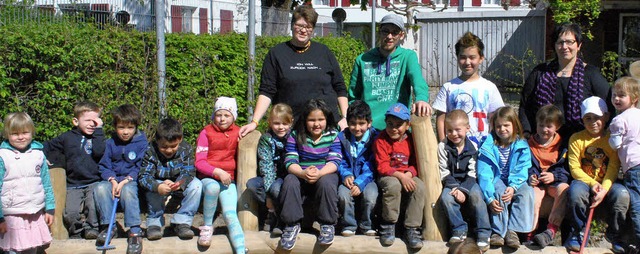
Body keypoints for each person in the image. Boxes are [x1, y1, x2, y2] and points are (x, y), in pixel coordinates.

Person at [238, 5, 348, 137]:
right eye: (299, 25)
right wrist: (254, 122)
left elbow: (340, 87)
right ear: (292, 25)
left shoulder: (324, 52)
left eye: (308, 27)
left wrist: (345, 117)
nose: (303, 30)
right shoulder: (276, 54)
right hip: (291, 129)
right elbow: (267, 91)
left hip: (327, 128)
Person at [519, 22, 613, 143]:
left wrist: (604, 134)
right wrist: (526, 133)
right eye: (560, 42)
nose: (564, 47)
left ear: (579, 45)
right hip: (543, 142)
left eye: (569, 42)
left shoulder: (591, 74)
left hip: (582, 143)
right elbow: (525, 106)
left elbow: (610, 105)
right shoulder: (540, 72)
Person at [565, 96, 628, 253]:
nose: (593, 122)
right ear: (582, 120)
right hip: (584, 182)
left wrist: (604, 189)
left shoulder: (612, 140)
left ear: (606, 117)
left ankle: (615, 233)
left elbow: (613, 167)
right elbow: (575, 168)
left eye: (597, 117)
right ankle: (579, 231)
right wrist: (593, 184)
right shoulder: (576, 139)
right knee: (575, 192)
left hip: (607, 183)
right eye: (588, 118)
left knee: (622, 194)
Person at [348, 13, 431, 131]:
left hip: (397, 128)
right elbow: (353, 96)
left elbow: (417, 80)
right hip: (369, 129)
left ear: (401, 35)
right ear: (379, 32)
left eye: (395, 32)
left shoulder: (407, 57)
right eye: (385, 31)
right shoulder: (362, 60)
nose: (389, 36)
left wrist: (421, 98)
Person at [278, 99, 342, 250]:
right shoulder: (295, 135)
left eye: (321, 119)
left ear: (327, 119)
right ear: (305, 120)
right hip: (301, 173)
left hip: (324, 172)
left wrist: (320, 173)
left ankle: (327, 224)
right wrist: (301, 172)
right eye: (311, 120)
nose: (316, 124)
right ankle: (291, 224)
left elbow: (335, 161)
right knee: (289, 181)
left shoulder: (333, 134)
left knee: (328, 182)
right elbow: (290, 160)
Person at [43, 101, 105, 239]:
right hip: (73, 183)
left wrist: (99, 131)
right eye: (88, 120)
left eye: (95, 121)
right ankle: (76, 232)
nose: (92, 124)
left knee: (93, 206)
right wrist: (40, 155)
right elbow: (47, 145)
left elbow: (99, 152)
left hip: (93, 181)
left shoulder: (97, 137)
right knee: (70, 212)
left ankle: (91, 229)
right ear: (76, 121)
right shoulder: (67, 137)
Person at [477, 106, 534, 249]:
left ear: (514, 125)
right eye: (498, 126)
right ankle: (498, 231)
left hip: (516, 180)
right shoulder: (488, 146)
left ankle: (513, 230)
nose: (502, 129)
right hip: (497, 179)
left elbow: (523, 168)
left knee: (526, 192)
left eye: (506, 125)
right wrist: (489, 197)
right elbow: (484, 173)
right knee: (499, 194)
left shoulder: (521, 145)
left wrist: (513, 186)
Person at [94, 104, 148, 254]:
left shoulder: (142, 143)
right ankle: (109, 227)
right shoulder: (110, 143)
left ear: (136, 127)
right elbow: (104, 165)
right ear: (115, 127)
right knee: (100, 188)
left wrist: (125, 181)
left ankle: (135, 231)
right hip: (113, 180)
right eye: (121, 127)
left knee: (128, 190)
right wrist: (112, 180)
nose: (125, 132)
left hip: (131, 181)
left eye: (130, 128)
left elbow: (141, 167)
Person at [433, 32, 504, 144]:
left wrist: (495, 144)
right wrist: (443, 144)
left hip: (483, 148)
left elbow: (497, 118)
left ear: (481, 58)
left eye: (472, 57)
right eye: (463, 57)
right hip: (455, 148)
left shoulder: (490, 87)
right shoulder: (448, 87)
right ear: (457, 58)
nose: (467, 62)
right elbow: (441, 120)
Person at [195, 97, 246, 253]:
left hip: (228, 180)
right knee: (212, 188)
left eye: (227, 115)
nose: (222, 118)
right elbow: (199, 162)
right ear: (214, 116)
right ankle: (208, 226)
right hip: (209, 177)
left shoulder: (238, 132)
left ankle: (241, 250)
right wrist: (216, 171)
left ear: (233, 117)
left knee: (230, 214)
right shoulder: (206, 133)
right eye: (219, 115)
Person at [138, 118, 202, 241]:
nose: (168, 150)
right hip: (158, 184)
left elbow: (189, 171)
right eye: (164, 146)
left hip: (178, 183)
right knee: (152, 186)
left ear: (180, 139)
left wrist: (179, 183)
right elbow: (144, 177)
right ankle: (154, 223)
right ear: (157, 141)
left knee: (197, 185)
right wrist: (158, 186)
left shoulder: (185, 149)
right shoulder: (150, 151)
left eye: (173, 146)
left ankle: (182, 222)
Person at [0, 112, 55, 253]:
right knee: (13, 250)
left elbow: (46, 183)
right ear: (7, 134)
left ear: (32, 132)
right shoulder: (3, 156)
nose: (20, 137)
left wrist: (49, 208)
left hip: (34, 213)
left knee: (32, 248)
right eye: (15, 133)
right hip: (12, 215)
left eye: (25, 132)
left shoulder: (38, 154)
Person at [374, 102, 425, 249]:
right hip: (388, 175)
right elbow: (382, 166)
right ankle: (388, 224)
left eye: (398, 124)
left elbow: (416, 162)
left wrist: (408, 174)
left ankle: (412, 228)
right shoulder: (381, 140)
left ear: (407, 125)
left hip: (407, 174)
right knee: (393, 185)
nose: (393, 128)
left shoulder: (411, 140)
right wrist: (401, 177)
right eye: (390, 124)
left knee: (419, 187)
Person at [438, 109, 490, 252]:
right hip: (451, 182)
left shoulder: (472, 147)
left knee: (477, 196)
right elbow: (443, 171)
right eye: (449, 130)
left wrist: (463, 190)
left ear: (467, 128)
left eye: (457, 130)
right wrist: (454, 188)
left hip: (469, 182)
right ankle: (459, 229)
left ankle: (484, 232)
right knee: (446, 198)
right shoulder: (443, 147)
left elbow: (472, 173)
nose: (454, 134)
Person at [245, 103, 293, 235]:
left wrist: (271, 192)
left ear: (291, 122)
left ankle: (280, 218)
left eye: (285, 123)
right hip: (270, 174)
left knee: (277, 189)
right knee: (252, 185)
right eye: (277, 123)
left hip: (287, 175)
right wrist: (268, 194)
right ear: (270, 122)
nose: (281, 127)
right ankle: (273, 212)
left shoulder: (293, 137)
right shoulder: (266, 139)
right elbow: (266, 165)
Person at [527, 104, 570, 248]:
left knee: (564, 189)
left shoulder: (562, 145)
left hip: (554, 183)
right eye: (541, 125)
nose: (544, 129)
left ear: (556, 127)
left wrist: (554, 176)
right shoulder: (528, 145)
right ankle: (530, 233)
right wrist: (531, 176)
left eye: (549, 126)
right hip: (537, 184)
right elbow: (524, 165)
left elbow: (567, 168)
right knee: (532, 196)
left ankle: (551, 230)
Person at [336, 100, 378, 237]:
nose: (357, 128)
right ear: (347, 122)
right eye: (353, 123)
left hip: (368, 179)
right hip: (348, 179)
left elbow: (373, 163)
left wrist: (360, 182)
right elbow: (338, 159)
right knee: (343, 195)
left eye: (361, 124)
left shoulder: (376, 138)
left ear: (369, 123)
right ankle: (349, 224)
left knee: (371, 196)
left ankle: (367, 225)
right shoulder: (342, 138)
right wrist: (346, 175)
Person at [609, 77, 640, 253]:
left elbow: (615, 145)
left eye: (622, 95)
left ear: (634, 98)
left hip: (633, 167)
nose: (616, 99)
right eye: (614, 95)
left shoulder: (619, 120)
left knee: (636, 204)